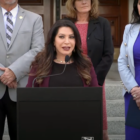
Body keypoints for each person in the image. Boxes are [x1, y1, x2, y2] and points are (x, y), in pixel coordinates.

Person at [65, 0, 114, 139]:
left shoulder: (102, 23)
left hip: (96, 77)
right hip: (70, 77)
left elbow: (108, 54)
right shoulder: (66, 23)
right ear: (73, 3)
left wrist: (94, 78)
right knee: (72, 115)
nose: (84, 1)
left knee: (94, 116)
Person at [0, 0, 44, 139]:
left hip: (21, 89)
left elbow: (38, 50)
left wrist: (14, 72)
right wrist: (4, 74)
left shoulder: (34, 19)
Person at [26, 19, 98, 90]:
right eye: (61, 37)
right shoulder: (40, 63)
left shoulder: (85, 63)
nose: (67, 42)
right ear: (53, 40)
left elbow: (96, 96)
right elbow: (29, 96)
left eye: (71, 37)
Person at [118, 0, 140, 139]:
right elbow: (122, 61)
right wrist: (134, 89)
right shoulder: (129, 29)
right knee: (134, 135)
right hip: (134, 91)